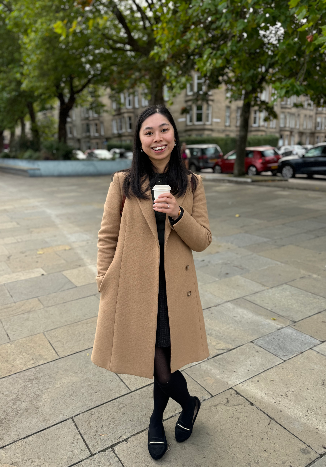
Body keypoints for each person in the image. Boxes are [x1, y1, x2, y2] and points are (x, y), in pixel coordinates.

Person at [91, 105, 212, 460]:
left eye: (163, 130)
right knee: (159, 362)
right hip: (134, 290)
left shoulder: (191, 184)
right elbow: (106, 236)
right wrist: (103, 277)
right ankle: (187, 404)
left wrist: (177, 212)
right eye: (148, 132)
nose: (157, 138)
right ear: (139, 140)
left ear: (174, 136)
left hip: (174, 291)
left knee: (165, 362)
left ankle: (157, 418)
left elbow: (203, 240)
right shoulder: (123, 183)